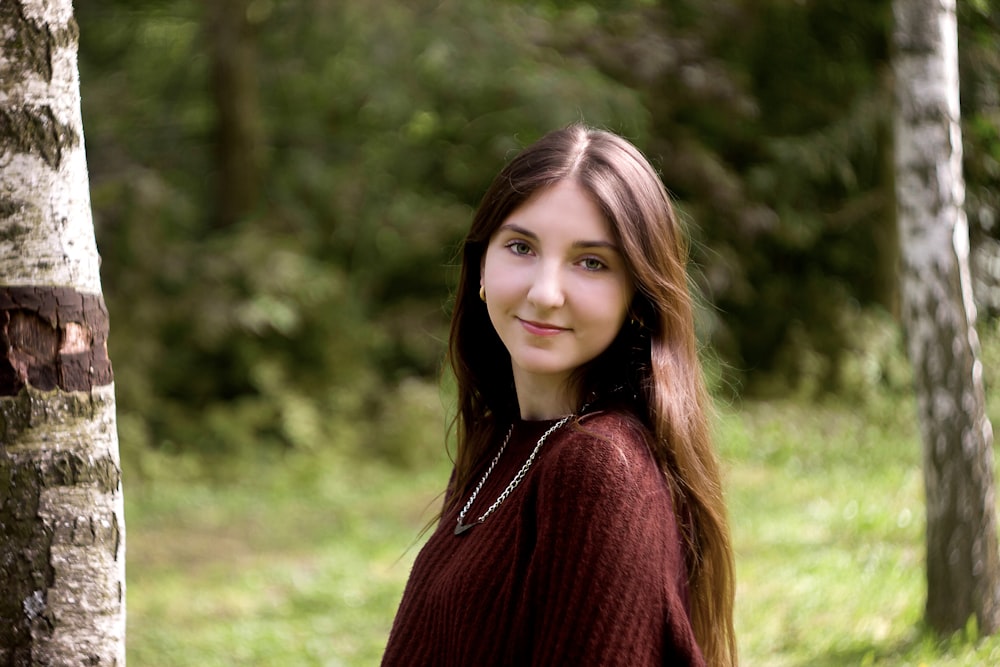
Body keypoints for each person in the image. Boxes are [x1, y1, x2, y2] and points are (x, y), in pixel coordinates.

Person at [381, 124, 737, 666]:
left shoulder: (600, 470)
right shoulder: (504, 443)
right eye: (521, 247)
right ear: (481, 267)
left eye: (591, 262)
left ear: (638, 297)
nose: (544, 294)